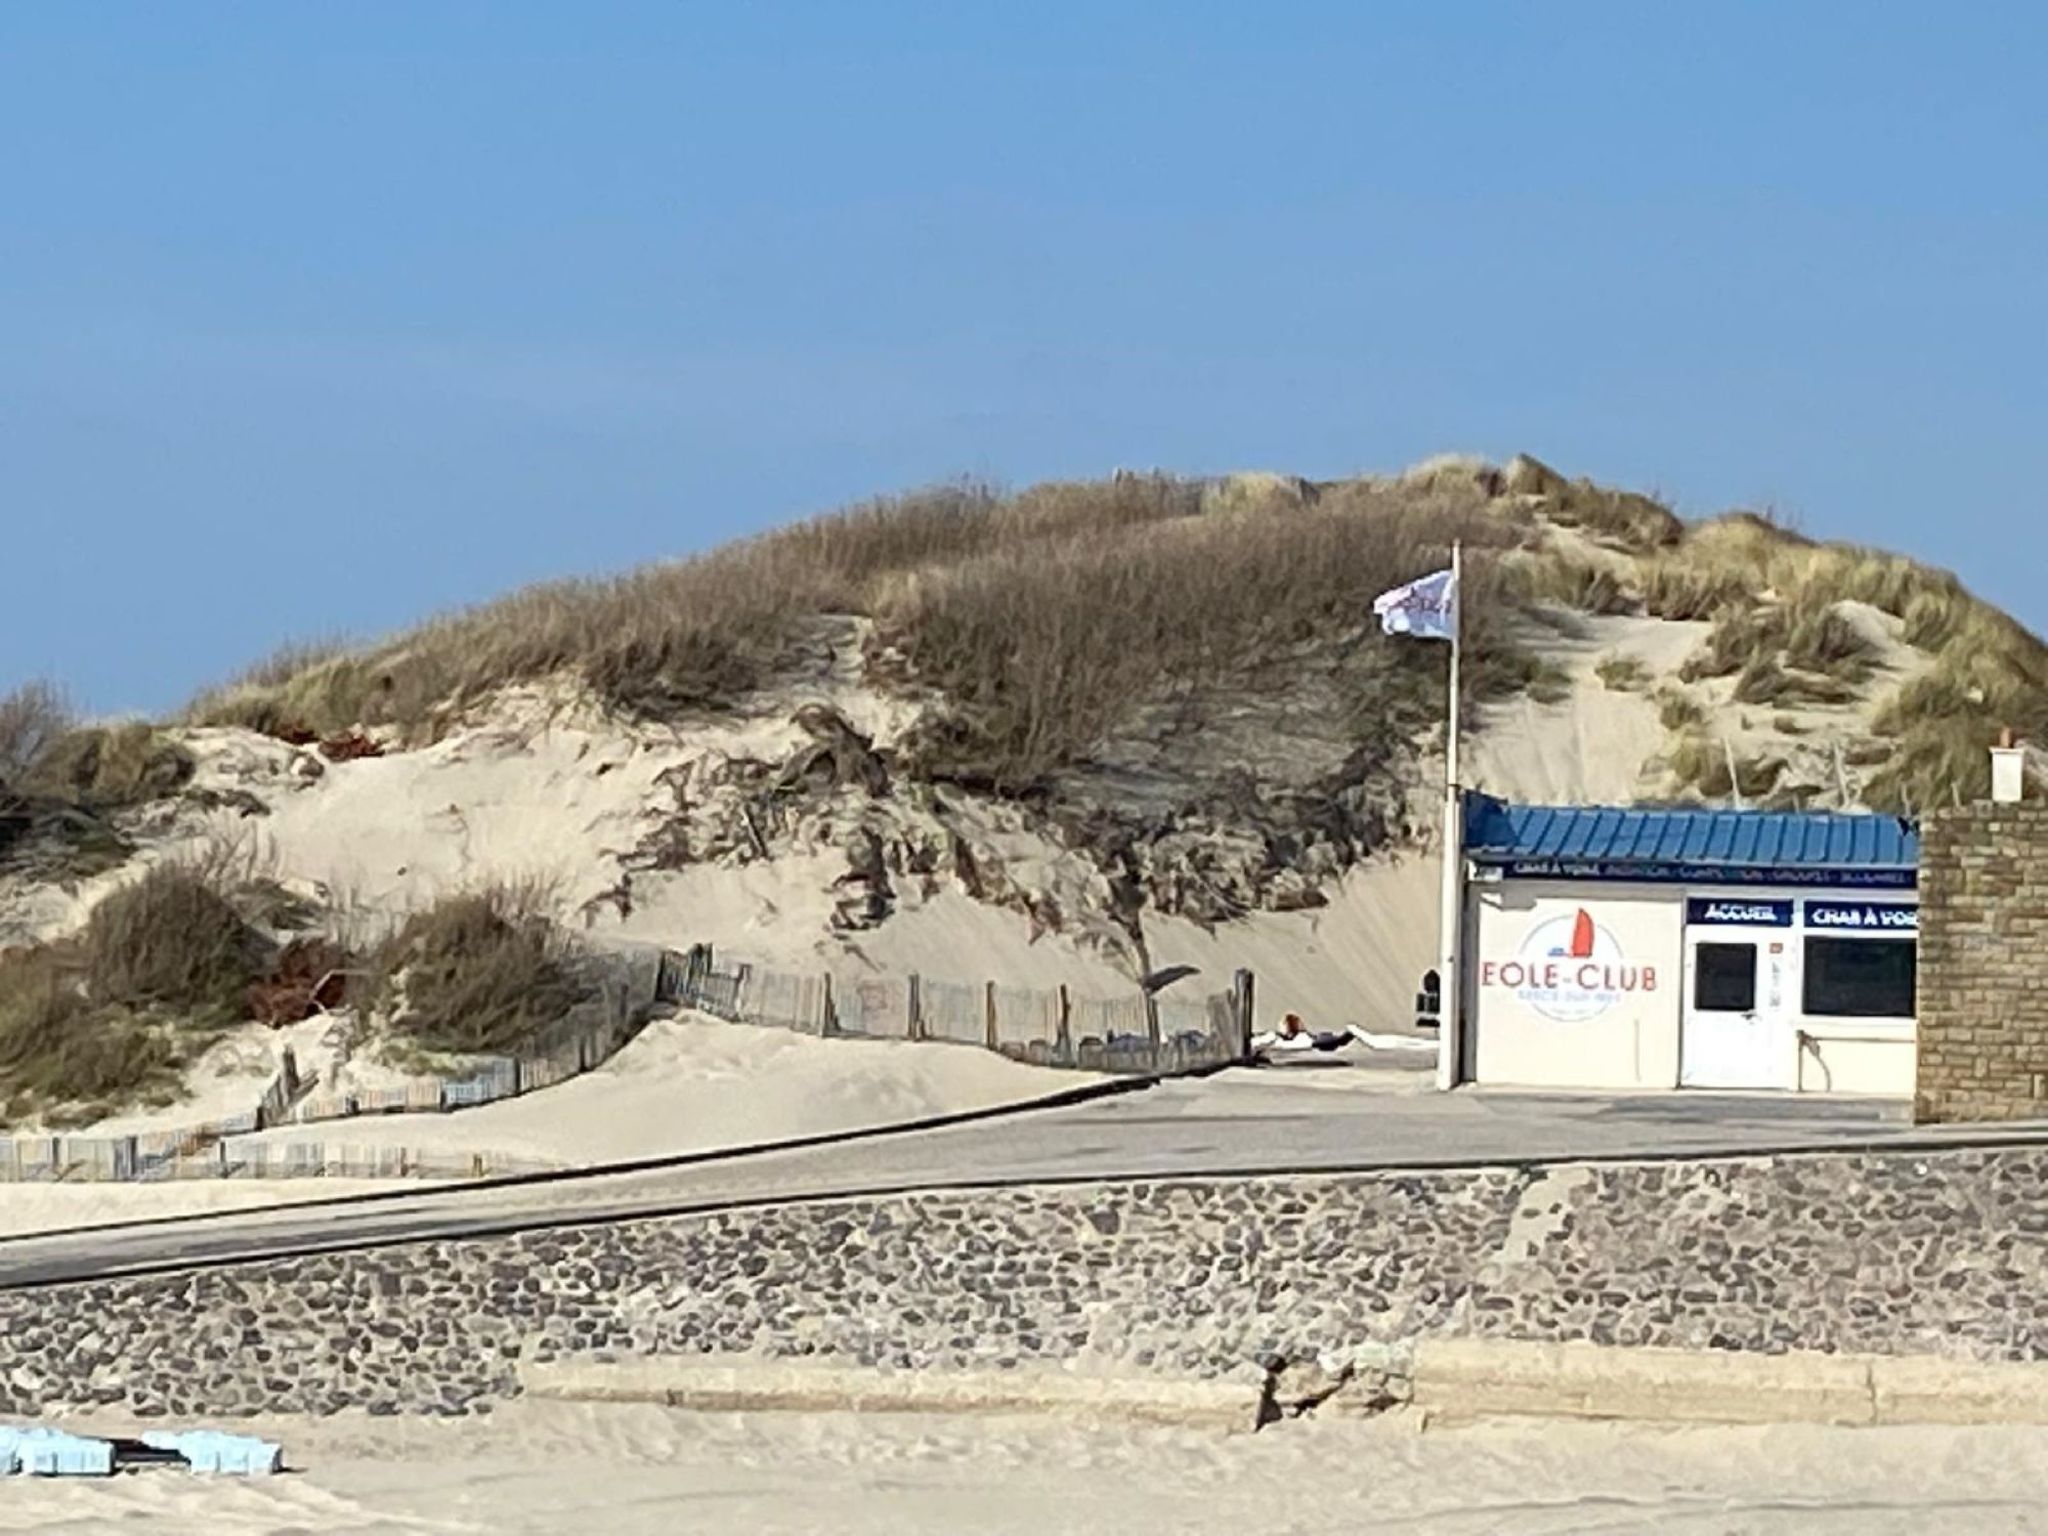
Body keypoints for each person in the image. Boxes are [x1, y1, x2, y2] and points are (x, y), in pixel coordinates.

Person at [1250, 1012, 1359, 1057]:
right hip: (1306, 1042)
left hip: (1306, 1042)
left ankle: (1343, 1037)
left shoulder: (1275, 1037)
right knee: (1323, 1041)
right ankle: (1343, 1037)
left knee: (1323, 1041)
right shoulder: (1273, 1037)